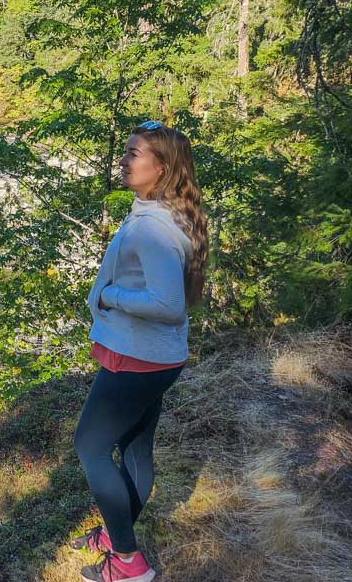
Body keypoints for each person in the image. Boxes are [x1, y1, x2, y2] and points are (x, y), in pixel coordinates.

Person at [69, 120, 209, 582]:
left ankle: (129, 563)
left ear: (162, 166)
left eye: (134, 154)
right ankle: (117, 533)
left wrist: (109, 297)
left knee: (90, 447)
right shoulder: (163, 211)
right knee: (135, 447)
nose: (124, 160)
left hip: (139, 356)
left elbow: (168, 306)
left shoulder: (153, 229)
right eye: (125, 152)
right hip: (157, 355)